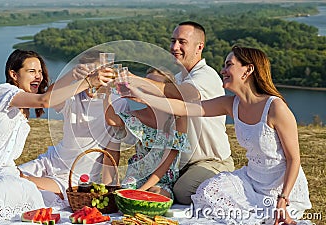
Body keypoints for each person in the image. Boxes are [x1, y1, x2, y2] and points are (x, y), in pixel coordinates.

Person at [125, 46, 311, 224]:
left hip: (279, 185)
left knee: (262, 216)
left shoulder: (275, 107)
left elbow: (294, 159)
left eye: (229, 65)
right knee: (208, 191)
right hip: (251, 179)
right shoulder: (231, 104)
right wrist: (141, 94)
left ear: (248, 70)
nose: (223, 70)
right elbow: (184, 107)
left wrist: (283, 198)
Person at [0, 49, 115, 220]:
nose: (38, 77)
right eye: (31, 71)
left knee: (26, 190)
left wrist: (75, 76)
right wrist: (86, 80)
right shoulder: (2, 92)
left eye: (40, 72)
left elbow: (47, 96)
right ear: (13, 74)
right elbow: (45, 100)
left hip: (1, 172)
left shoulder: (24, 107)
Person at [127, 21, 234, 204]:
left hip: (210, 162)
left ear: (199, 47)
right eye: (173, 41)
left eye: (182, 42)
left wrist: (136, 81)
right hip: (179, 165)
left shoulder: (206, 76)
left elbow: (184, 94)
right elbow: (162, 107)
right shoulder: (178, 78)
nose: (175, 47)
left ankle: (230, 183)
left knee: (183, 192)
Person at [18, 50, 129, 208]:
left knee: (22, 182)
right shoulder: (73, 95)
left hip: (76, 177)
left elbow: (111, 152)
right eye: (89, 74)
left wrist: (108, 192)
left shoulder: (117, 104)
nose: (94, 79)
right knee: (8, 175)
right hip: (50, 161)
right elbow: (48, 97)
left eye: (98, 74)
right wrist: (71, 75)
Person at [105, 67, 190, 199]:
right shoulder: (138, 115)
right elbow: (112, 120)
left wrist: (141, 191)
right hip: (136, 176)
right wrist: (106, 92)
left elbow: (165, 164)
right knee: (123, 197)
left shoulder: (178, 119)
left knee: (154, 195)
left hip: (161, 179)